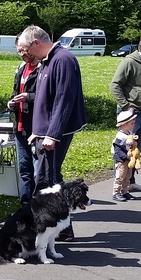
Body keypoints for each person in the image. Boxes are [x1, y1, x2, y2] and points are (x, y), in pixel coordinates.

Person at [17, 25, 87, 241]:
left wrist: (52, 135)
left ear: (36, 43)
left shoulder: (63, 60)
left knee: (46, 182)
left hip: (54, 135)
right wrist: (37, 131)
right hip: (44, 133)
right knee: (50, 180)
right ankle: (62, 230)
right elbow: (44, 98)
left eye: (25, 48)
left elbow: (63, 101)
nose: (24, 53)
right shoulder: (47, 61)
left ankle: (41, 231)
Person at [109, 34, 141, 192]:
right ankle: (119, 184)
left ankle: (130, 182)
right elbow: (115, 85)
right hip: (131, 113)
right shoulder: (129, 62)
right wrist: (126, 106)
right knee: (124, 150)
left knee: (136, 150)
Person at [7, 39, 41, 206]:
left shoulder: (43, 69)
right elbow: (15, 92)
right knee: (24, 170)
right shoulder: (20, 69)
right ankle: (25, 207)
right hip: (19, 128)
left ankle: (40, 206)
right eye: (18, 51)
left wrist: (29, 97)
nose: (21, 54)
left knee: (38, 172)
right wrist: (11, 103)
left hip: (36, 128)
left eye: (23, 50)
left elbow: (47, 97)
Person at [111, 110, 138, 201]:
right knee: (120, 177)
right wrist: (127, 157)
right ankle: (116, 193)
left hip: (128, 159)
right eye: (131, 123)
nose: (133, 125)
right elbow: (117, 150)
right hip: (121, 160)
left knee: (127, 177)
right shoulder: (120, 136)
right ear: (124, 124)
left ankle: (124, 191)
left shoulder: (129, 134)